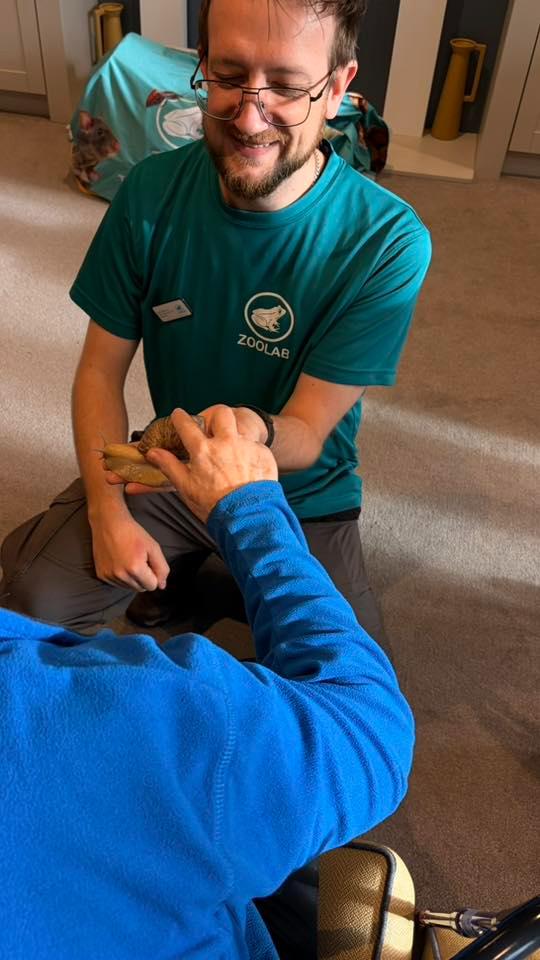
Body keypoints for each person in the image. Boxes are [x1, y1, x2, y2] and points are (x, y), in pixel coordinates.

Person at [0, 0, 431, 641]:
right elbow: (98, 371)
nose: (249, 117)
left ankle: (207, 580)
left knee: (348, 709)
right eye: (229, 77)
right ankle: (199, 573)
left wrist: (249, 434)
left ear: (339, 88)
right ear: (201, 67)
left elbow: (309, 434)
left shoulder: (387, 242)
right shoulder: (149, 194)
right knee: (24, 604)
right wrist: (106, 509)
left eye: (286, 86)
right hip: (173, 460)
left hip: (298, 495)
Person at [0, 407, 415, 960]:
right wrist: (243, 506)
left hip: (300, 490)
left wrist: (260, 432)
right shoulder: (150, 715)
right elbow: (373, 725)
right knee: (346, 669)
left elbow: (311, 437)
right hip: (209, 485)